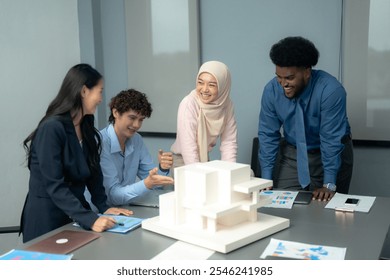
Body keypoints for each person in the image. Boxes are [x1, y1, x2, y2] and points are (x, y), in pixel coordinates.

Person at [20, 64, 132, 243]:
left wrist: (103, 206)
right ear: (84, 91)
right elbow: (54, 185)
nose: (101, 99)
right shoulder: (52, 128)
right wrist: (90, 219)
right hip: (47, 219)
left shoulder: (86, 125)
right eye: (100, 91)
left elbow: (94, 173)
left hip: (75, 216)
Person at [258, 36, 353, 201]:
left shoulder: (331, 91)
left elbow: (331, 139)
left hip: (332, 155)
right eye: (279, 77)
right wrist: (266, 178)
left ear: (307, 72)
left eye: (289, 78)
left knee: (327, 211)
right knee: (281, 205)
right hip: (293, 154)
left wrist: (329, 183)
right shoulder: (271, 90)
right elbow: (268, 135)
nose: (283, 83)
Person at [99, 89, 174, 206]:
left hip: (124, 210)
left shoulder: (136, 139)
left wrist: (162, 168)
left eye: (141, 120)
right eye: (132, 118)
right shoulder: (100, 143)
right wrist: (146, 184)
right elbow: (112, 195)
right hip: (98, 214)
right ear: (116, 113)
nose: (137, 125)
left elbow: (153, 181)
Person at [171, 60, 237, 168]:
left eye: (211, 85)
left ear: (223, 86)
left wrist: (230, 171)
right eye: (200, 82)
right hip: (182, 161)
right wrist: (198, 173)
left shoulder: (227, 105)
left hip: (204, 159)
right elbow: (188, 147)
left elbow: (229, 143)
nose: (204, 89)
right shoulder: (189, 103)